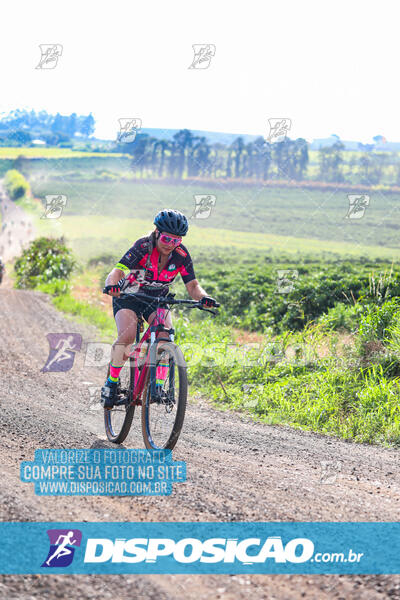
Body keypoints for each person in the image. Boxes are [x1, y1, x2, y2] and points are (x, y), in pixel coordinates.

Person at [101, 209, 218, 407]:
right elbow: (118, 270)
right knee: (127, 338)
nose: (170, 245)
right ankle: (111, 384)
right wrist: (112, 284)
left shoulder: (181, 255)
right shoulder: (143, 246)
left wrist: (204, 297)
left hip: (156, 299)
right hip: (130, 295)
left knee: (165, 336)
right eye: (166, 239)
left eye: (176, 241)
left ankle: (156, 386)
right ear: (156, 232)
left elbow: (193, 286)